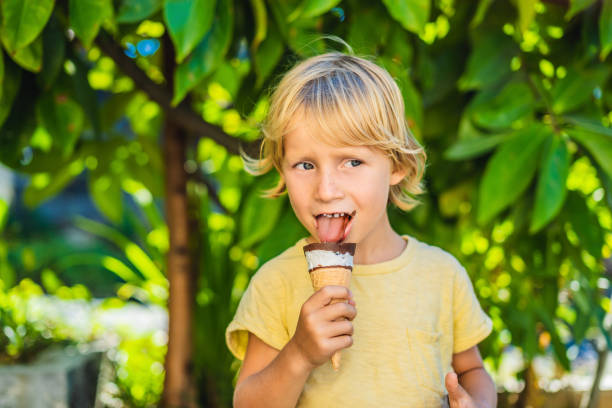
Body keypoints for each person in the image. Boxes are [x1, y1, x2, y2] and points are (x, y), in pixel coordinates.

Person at [225, 51, 496, 408]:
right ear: (282, 170)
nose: (325, 189)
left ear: (397, 165)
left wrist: (477, 403)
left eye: (352, 161)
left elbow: (473, 371)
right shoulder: (276, 283)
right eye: (305, 165)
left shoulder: (442, 276)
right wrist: (299, 355)